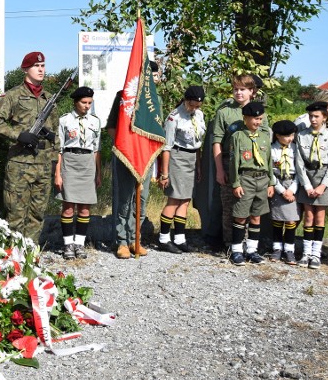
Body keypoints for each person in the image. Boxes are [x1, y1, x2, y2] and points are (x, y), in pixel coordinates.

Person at [0, 51, 59, 242]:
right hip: (20, 164)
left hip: (43, 166)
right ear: (25, 69)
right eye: (36, 66)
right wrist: (18, 135)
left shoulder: (49, 99)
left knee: (38, 214)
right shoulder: (13, 96)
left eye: (43, 66)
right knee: (16, 216)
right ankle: (13, 260)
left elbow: (56, 134)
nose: (41, 70)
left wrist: (54, 161)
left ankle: (30, 257)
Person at [106, 61, 158, 259]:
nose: (153, 79)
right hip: (126, 155)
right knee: (125, 200)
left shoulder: (154, 99)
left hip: (145, 157)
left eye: (155, 76)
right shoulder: (123, 96)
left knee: (141, 200)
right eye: (150, 75)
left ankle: (135, 239)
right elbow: (112, 127)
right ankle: (122, 241)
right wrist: (126, 147)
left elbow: (156, 130)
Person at [209, 74, 264, 250]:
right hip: (229, 162)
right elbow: (217, 142)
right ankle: (230, 244)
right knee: (229, 206)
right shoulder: (224, 112)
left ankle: (250, 244)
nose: (238, 93)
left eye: (243, 89)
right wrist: (219, 170)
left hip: (253, 165)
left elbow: (265, 142)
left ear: (252, 92)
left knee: (252, 206)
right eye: (236, 89)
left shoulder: (260, 112)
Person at [157, 85, 206, 253]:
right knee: (174, 199)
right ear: (185, 100)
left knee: (185, 200)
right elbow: (166, 147)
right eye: (191, 105)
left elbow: (197, 143)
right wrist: (164, 174)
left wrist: (198, 165)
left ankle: (179, 238)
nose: (194, 109)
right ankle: (163, 238)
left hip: (192, 158)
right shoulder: (174, 117)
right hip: (177, 158)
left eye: (197, 106)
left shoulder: (199, 115)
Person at [55, 86, 101, 259]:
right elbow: (59, 149)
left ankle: (79, 244)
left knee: (84, 208)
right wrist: (57, 173)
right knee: (68, 208)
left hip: (88, 163)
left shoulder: (95, 121)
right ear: (75, 102)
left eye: (90, 103)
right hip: (70, 161)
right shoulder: (65, 120)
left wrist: (98, 173)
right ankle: (68, 245)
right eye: (83, 102)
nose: (87, 106)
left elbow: (97, 148)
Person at [228, 101, 274, 265]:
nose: (258, 122)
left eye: (260, 119)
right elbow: (233, 163)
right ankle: (236, 251)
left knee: (256, 216)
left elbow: (269, 161)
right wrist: (236, 183)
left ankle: (252, 250)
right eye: (254, 119)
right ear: (245, 118)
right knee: (240, 216)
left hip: (262, 180)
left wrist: (271, 183)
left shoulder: (264, 136)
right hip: (245, 179)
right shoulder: (238, 137)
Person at [294, 101, 328, 269]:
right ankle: (306, 253)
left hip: (322, 177)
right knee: (308, 217)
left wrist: (322, 186)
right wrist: (306, 186)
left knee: (319, 217)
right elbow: (299, 163)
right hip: (307, 177)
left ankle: (316, 253)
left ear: (325, 117)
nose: (313, 119)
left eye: (317, 116)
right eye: (311, 116)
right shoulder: (302, 135)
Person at [269, 120, 300, 265]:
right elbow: (270, 173)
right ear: (277, 135)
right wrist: (282, 191)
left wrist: (292, 190)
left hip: (292, 185)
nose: (290, 139)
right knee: (277, 219)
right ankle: (276, 248)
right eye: (287, 136)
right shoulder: (271, 150)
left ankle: (289, 249)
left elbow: (300, 171)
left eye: (292, 135)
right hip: (278, 185)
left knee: (291, 219)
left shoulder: (295, 149)